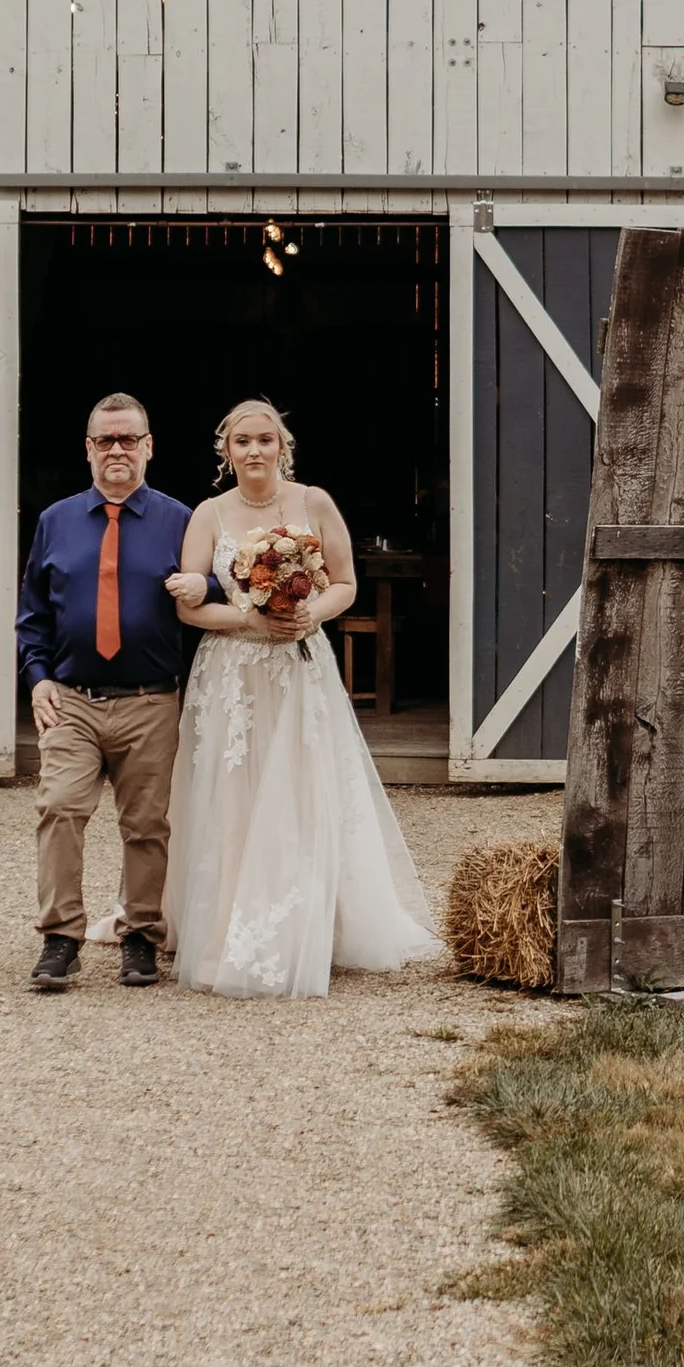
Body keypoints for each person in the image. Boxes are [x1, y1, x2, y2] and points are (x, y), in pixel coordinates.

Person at [163, 397, 443, 999]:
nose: (255, 450)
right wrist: (250, 620)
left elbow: (344, 583)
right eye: (243, 442)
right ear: (227, 452)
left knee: (303, 787)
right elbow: (190, 606)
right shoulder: (208, 514)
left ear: (282, 446)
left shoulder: (313, 502)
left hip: (299, 668)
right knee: (233, 795)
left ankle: (317, 926)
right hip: (233, 676)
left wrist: (308, 612)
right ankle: (225, 931)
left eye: (265, 439)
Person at [14, 392, 193, 993]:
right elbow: (33, 613)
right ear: (87, 449)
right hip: (72, 698)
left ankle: (140, 936)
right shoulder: (55, 521)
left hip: (150, 699)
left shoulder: (182, 520)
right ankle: (60, 939)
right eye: (105, 440)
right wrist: (38, 677)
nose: (117, 450)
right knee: (60, 807)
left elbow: (214, 595)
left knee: (146, 824)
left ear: (149, 448)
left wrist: (208, 580)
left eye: (129, 439)